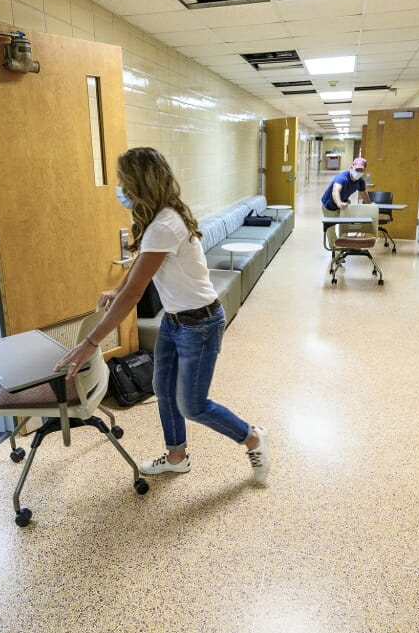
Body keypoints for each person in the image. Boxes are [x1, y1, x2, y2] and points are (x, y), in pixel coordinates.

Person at [55, 147, 271, 483]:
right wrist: (116, 290)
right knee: (163, 388)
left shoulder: (164, 224)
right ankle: (176, 456)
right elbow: (141, 269)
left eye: (123, 182)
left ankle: (252, 436)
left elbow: (135, 293)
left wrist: (90, 342)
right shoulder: (162, 217)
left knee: (193, 405)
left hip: (200, 323)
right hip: (175, 320)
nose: (120, 190)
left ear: (138, 183)